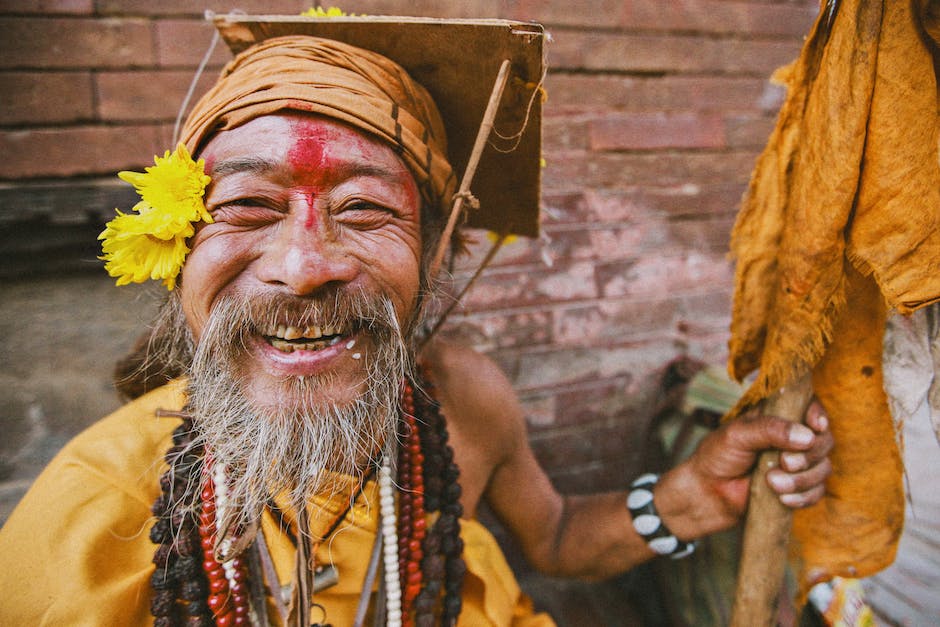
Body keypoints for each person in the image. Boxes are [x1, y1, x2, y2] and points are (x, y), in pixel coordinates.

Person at [0, 15, 832, 627]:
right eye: (247, 207)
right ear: (177, 250)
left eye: (363, 209)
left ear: (437, 258)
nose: (302, 264)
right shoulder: (89, 518)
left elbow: (554, 534)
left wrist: (691, 495)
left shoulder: (463, 399)